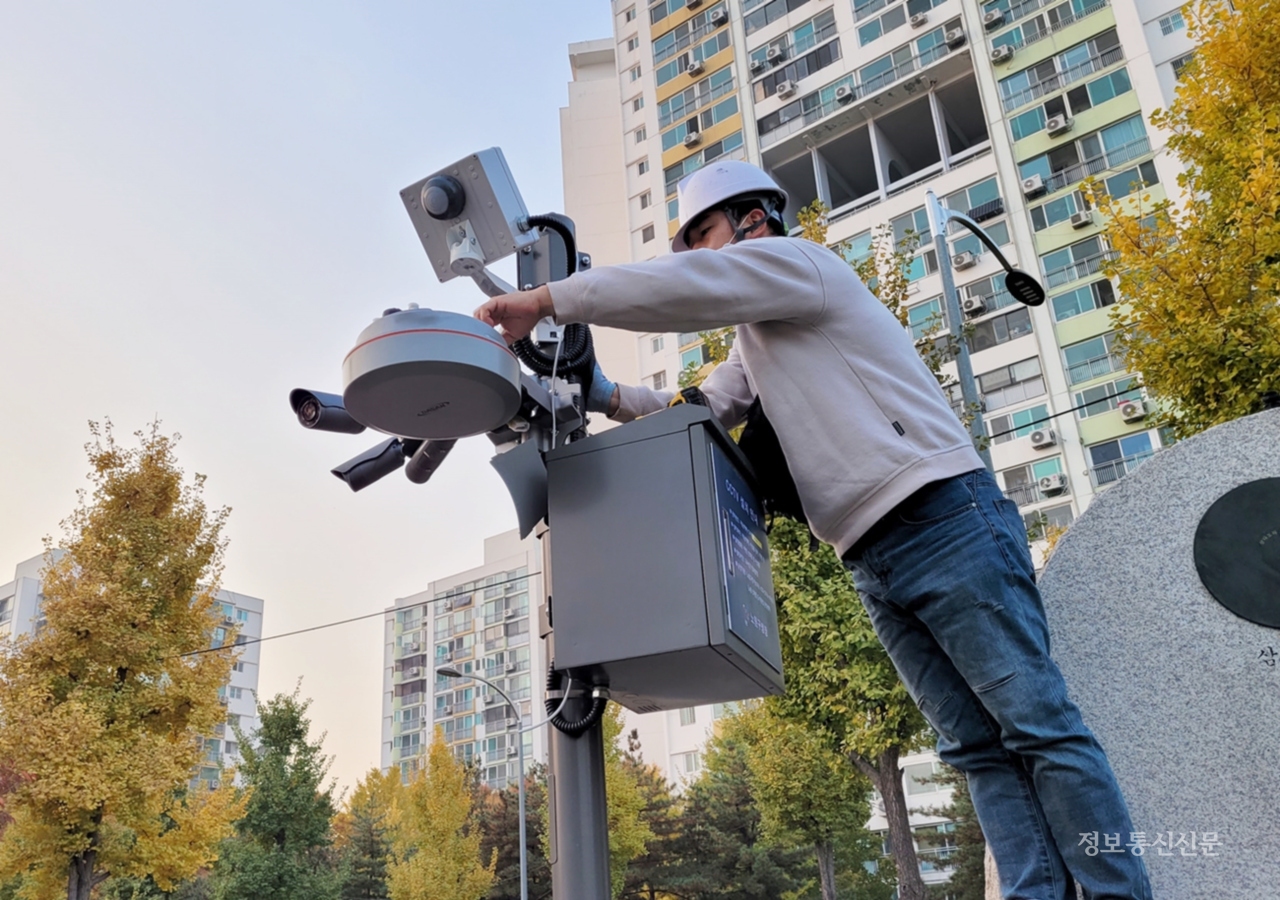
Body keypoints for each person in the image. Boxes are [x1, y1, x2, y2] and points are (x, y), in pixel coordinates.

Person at [475, 160, 1153, 900]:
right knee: (976, 748)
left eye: (702, 236)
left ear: (753, 220)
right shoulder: (759, 338)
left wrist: (547, 299)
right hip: (871, 556)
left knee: (1039, 727)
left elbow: (681, 290)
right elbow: (698, 407)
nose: (698, 257)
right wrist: (599, 387)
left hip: (941, 515)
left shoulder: (802, 265)